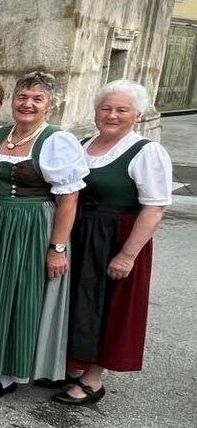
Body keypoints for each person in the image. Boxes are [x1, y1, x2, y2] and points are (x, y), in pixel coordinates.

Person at [0, 71, 88, 399]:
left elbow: (68, 199)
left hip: (31, 225)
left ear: (50, 105)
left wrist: (57, 247)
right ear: (12, 101)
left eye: (37, 99)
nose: (28, 104)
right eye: (22, 97)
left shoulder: (56, 140)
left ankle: (8, 371)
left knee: (18, 293)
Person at [57, 80, 170, 405]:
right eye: (105, 108)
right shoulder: (83, 144)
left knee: (110, 306)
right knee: (80, 301)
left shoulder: (146, 151)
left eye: (121, 109)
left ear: (136, 114)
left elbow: (155, 207)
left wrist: (127, 255)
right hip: (81, 233)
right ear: (95, 113)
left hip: (116, 236)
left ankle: (93, 379)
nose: (112, 115)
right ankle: (74, 364)